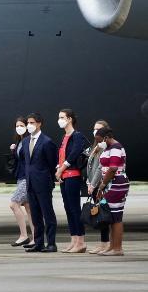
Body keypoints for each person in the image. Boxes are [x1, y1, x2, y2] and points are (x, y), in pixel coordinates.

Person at [23, 113, 59, 253]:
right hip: (30, 183)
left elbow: (52, 164)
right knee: (35, 215)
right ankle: (38, 242)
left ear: (39, 124)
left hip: (43, 183)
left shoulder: (47, 142)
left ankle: (51, 243)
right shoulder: (26, 141)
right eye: (28, 122)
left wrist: (47, 179)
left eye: (31, 122)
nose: (29, 125)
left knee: (47, 213)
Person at [55, 109, 87, 253]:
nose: (59, 120)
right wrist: (58, 169)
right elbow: (62, 155)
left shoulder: (77, 136)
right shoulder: (65, 137)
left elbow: (74, 154)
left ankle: (81, 241)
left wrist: (61, 169)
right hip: (64, 177)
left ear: (69, 119)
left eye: (62, 117)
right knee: (68, 208)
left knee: (75, 208)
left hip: (72, 175)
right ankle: (73, 239)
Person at [94, 127, 129, 256]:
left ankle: (117, 248)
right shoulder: (108, 148)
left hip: (116, 184)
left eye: (99, 140)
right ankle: (112, 246)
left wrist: (102, 185)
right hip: (110, 184)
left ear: (106, 138)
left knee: (116, 216)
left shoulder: (116, 148)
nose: (98, 143)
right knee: (111, 216)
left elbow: (113, 168)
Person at [8, 117, 34, 248]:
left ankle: (24, 235)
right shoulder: (20, 141)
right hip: (20, 177)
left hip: (26, 178)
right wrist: (13, 150)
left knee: (14, 204)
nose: (19, 127)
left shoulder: (29, 141)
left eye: (22, 125)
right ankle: (35, 238)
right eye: (17, 125)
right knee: (28, 207)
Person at [85, 120, 111, 254]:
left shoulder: (105, 147)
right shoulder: (97, 146)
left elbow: (100, 168)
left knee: (103, 215)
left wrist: (94, 184)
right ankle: (103, 243)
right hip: (94, 185)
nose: (96, 131)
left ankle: (106, 244)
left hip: (102, 186)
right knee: (100, 215)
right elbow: (91, 166)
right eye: (94, 129)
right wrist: (89, 182)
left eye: (99, 129)